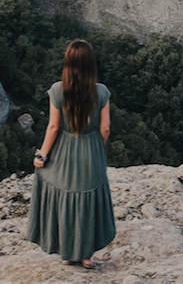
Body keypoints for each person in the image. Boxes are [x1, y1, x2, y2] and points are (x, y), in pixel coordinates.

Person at [26, 39, 116, 268]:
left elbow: (54, 127)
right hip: (91, 149)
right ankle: (86, 256)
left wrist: (42, 155)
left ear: (67, 63)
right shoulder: (101, 91)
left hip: (64, 150)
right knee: (87, 201)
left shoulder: (58, 90)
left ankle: (67, 253)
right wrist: (97, 145)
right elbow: (105, 128)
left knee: (65, 198)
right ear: (90, 64)